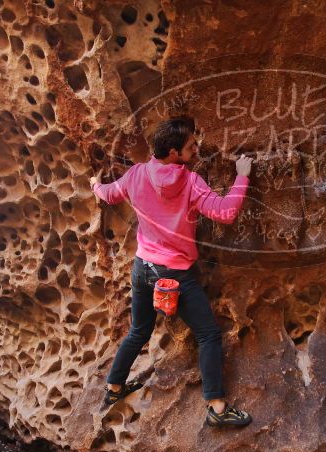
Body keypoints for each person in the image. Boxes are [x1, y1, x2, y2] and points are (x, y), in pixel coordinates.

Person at [90, 116, 253, 428]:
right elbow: (225, 212)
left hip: (142, 268)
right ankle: (218, 409)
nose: (196, 147)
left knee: (139, 330)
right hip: (175, 275)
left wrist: (94, 185)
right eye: (191, 145)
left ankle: (114, 388)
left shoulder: (137, 174)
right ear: (174, 152)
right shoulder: (190, 182)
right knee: (207, 333)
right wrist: (241, 177)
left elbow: (107, 195)